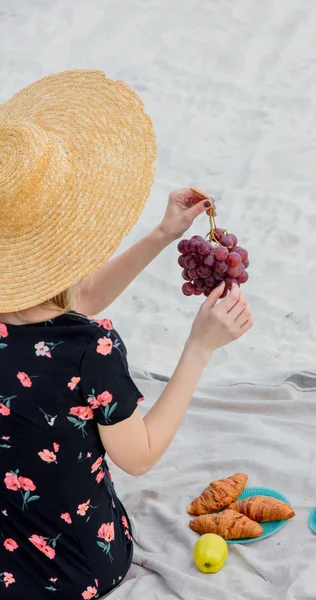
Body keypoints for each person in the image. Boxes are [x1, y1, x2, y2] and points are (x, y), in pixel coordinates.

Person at [0, 70, 253, 600]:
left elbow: (72, 300)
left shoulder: (37, 326)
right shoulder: (89, 349)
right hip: (75, 570)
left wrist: (164, 234)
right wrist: (199, 348)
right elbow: (138, 458)